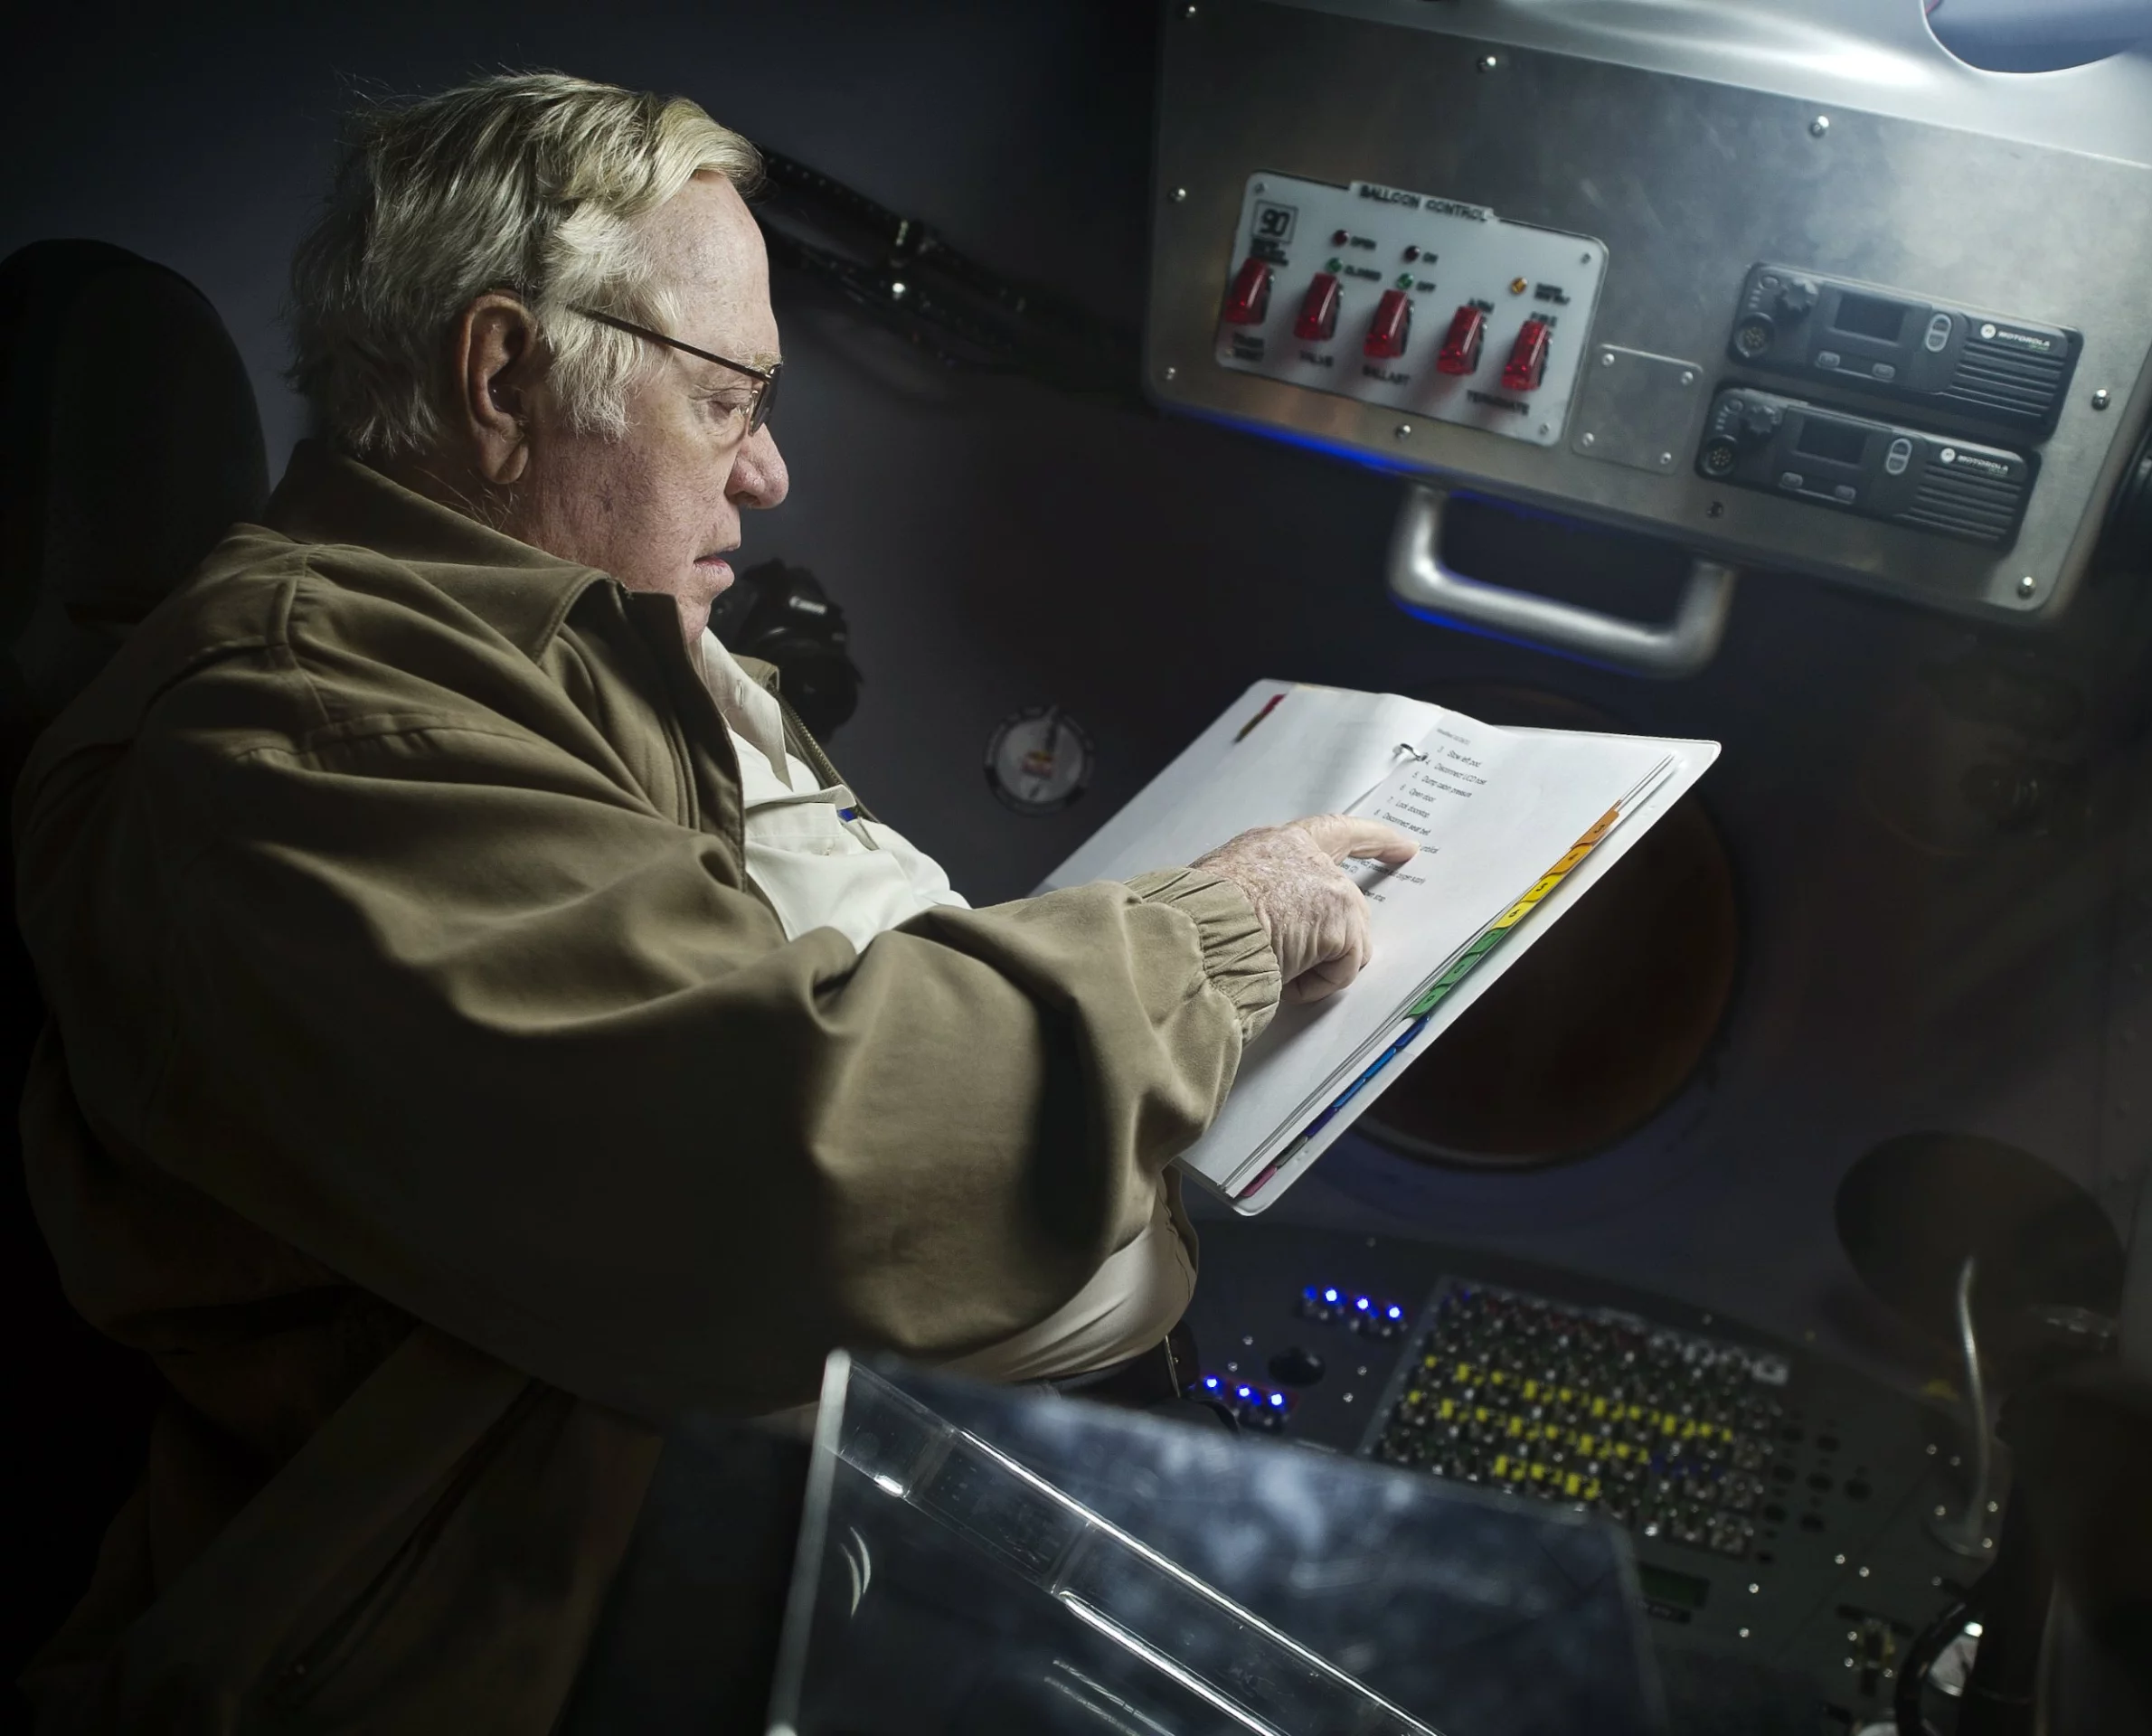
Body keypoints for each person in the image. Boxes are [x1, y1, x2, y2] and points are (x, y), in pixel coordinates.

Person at [13, 73, 1411, 1731]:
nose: (769, 475)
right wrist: (1218, 933)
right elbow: (789, 1151)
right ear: (507, 376)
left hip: (727, 1518)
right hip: (488, 1639)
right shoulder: (309, 726)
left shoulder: (575, 654)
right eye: (730, 396)